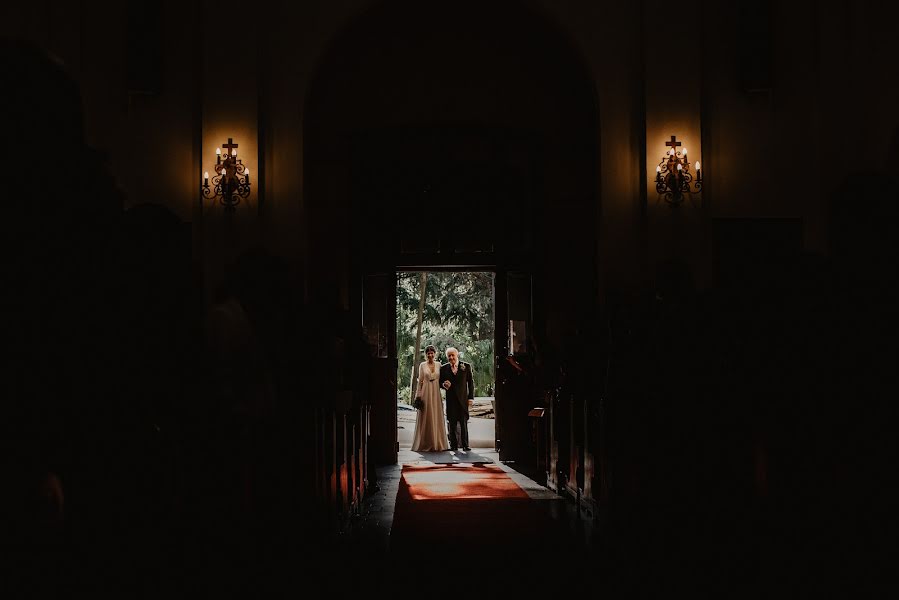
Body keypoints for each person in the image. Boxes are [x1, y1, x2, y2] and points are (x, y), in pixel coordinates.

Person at [411, 345, 450, 452]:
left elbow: (442, 379)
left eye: (432, 353)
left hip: (436, 394)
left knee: (436, 415)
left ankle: (438, 443)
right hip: (426, 393)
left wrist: (446, 384)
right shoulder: (422, 365)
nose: (430, 355)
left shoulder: (439, 365)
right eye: (428, 353)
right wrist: (418, 396)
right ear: (426, 355)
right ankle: (425, 443)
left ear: (435, 354)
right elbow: (420, 383)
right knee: (426, 417)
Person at [440, 347, 475, 451]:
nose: (451, 357)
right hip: (451, 400)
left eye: (452, 355)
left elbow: (471, 383)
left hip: (463, 400)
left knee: (463, 423)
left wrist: (471, 398)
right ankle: (453, 445)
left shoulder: (466, 366)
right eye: (449, 356)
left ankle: (465, 445)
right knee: (452, 423)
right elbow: (440, 382)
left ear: (457, 355)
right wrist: (443, 384)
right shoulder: (444, 368)